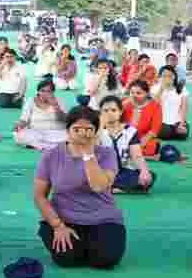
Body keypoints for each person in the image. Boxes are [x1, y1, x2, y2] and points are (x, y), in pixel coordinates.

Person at [33, 106, 126, 269]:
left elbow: (98, 186)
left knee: (105, 260)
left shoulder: (106, 154)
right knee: (67, 259)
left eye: (88, 129)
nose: (82, 134)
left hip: (102, 218)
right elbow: (40, 196)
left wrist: (88, 154)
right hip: (64, 219)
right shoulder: (51, 155)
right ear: (67, 130)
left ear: (96, 131)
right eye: (76, 129)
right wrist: (57, 226)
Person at [98, 96, 155, 193]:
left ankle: (110, 188)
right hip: (102, 171)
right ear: (100, 113)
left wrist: (144, 170)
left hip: (123, 172)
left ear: (120, 112)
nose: (109, 113)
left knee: (149, 176)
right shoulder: (96, 131)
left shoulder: (130, 131)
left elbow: (137, 156)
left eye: (113, 110)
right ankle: (118, 188)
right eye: (105, 111)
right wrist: (99, 128)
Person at [14, 78, 69, 151]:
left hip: (57, 132)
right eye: (42, 91)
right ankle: (51, 146)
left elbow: (64, 120)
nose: (45, 94)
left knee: (70, 136)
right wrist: (19, 125)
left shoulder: (59, 101)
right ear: (38, 91)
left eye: (48, 91)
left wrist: (56, 106)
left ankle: (42, 146)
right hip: (37, 132)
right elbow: (24, 120)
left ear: (53, 92)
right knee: (19, 135)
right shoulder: (30, 101)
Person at [122, 79, 163, 157]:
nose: (134, 95)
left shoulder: (155, 106)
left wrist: (142, 141)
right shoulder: (125, 103)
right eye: (132, 93)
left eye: (139, 93)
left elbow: (154, 129)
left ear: (147, 94)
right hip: (124, 136)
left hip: (143, 138)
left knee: (151, 147)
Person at [152, 65, 188, 141]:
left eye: (170, 75)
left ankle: (175, 130)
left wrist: (182, 123)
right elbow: (154, 105)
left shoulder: (181, 88)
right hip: (162, 121)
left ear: (174, 76)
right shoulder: (155, 88)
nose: (167, 78)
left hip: (177, 121)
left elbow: (184, 108)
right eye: (164, 76)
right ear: (160, 77)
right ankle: (171, 131)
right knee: (166, 132)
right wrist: (162, 88)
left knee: (183, 134)